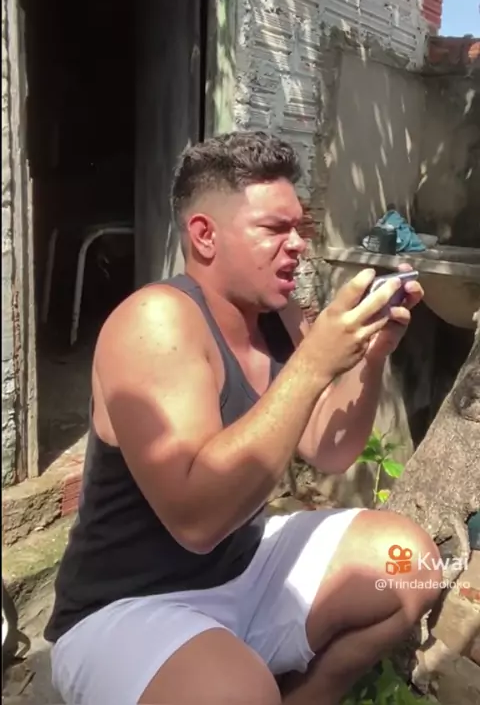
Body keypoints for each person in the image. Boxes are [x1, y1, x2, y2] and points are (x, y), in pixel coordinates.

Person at [45, 131, 442, 705]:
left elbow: (331, 450)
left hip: (244, 563)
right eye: (274, 229)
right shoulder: (155, 322)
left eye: (299, 228)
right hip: (130, 605)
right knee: (236, 692)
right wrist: (313, 364)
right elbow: (197, 523)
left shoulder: (280, 317)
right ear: (205, 235)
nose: (297, 245)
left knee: (412, 566)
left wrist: (371, 356)